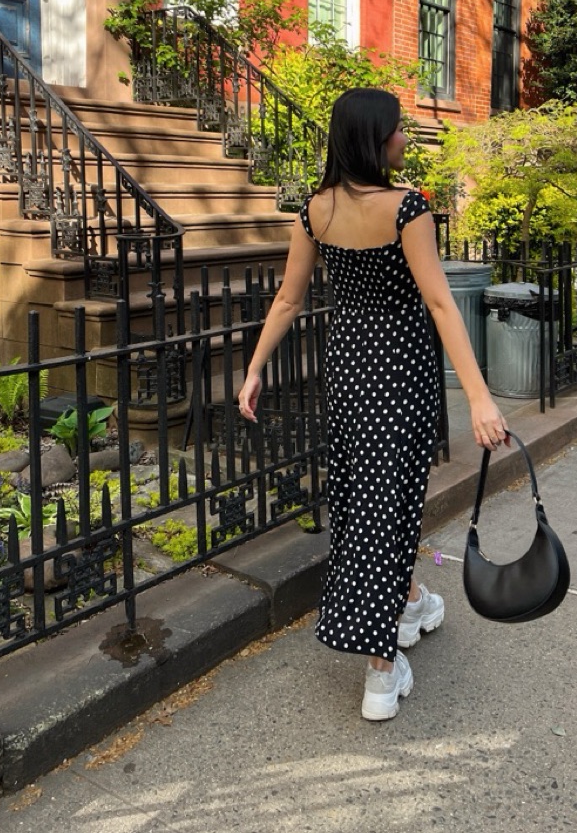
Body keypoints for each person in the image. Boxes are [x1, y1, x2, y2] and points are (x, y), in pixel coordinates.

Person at [238, 87, 508, 721]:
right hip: (401, 370)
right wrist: (479, 397)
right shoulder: (408, 208)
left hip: (350, 370)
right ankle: (381, 671)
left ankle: (409, 601)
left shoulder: (315, 211)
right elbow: (439, 303)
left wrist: (254, 369)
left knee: (368, 497)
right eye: (397, 129)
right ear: (374, 138)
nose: (404, 138)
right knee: (390, 500)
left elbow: (287, 300)